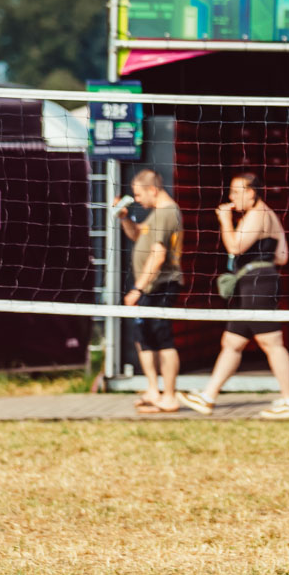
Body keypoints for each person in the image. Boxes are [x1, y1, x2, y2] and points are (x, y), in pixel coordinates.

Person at [179, 173, 289, 420]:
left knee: (271, 342)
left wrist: (225, 221)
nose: (231, 197)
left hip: (257, 284)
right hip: (254, 282)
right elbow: (282, 256)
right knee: (232, 343)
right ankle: (208, 396)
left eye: (236, 191)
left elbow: (235, 247)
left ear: (252, 193)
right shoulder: (269, 215)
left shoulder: (257, 214)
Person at [119, 169, 184, 414]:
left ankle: (169, 396)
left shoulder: (167, 212)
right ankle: (153, 391)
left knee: (162, 339)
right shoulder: (156, 213)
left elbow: (158, 255)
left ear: (153, 190)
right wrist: (125, 218)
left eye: (138, 195)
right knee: (143, 338)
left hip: (161, 285)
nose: (136, 200)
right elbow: (137, 235)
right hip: (148, 286)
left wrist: (138, 288)